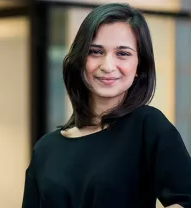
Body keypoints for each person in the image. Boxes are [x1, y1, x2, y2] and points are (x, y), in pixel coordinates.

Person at [22, 3, 191, 208]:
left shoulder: (148, 127)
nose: (108, 66)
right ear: (80, 60)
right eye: (95, 51)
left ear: (139, 66)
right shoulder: (46, 149)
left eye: (123, 53)